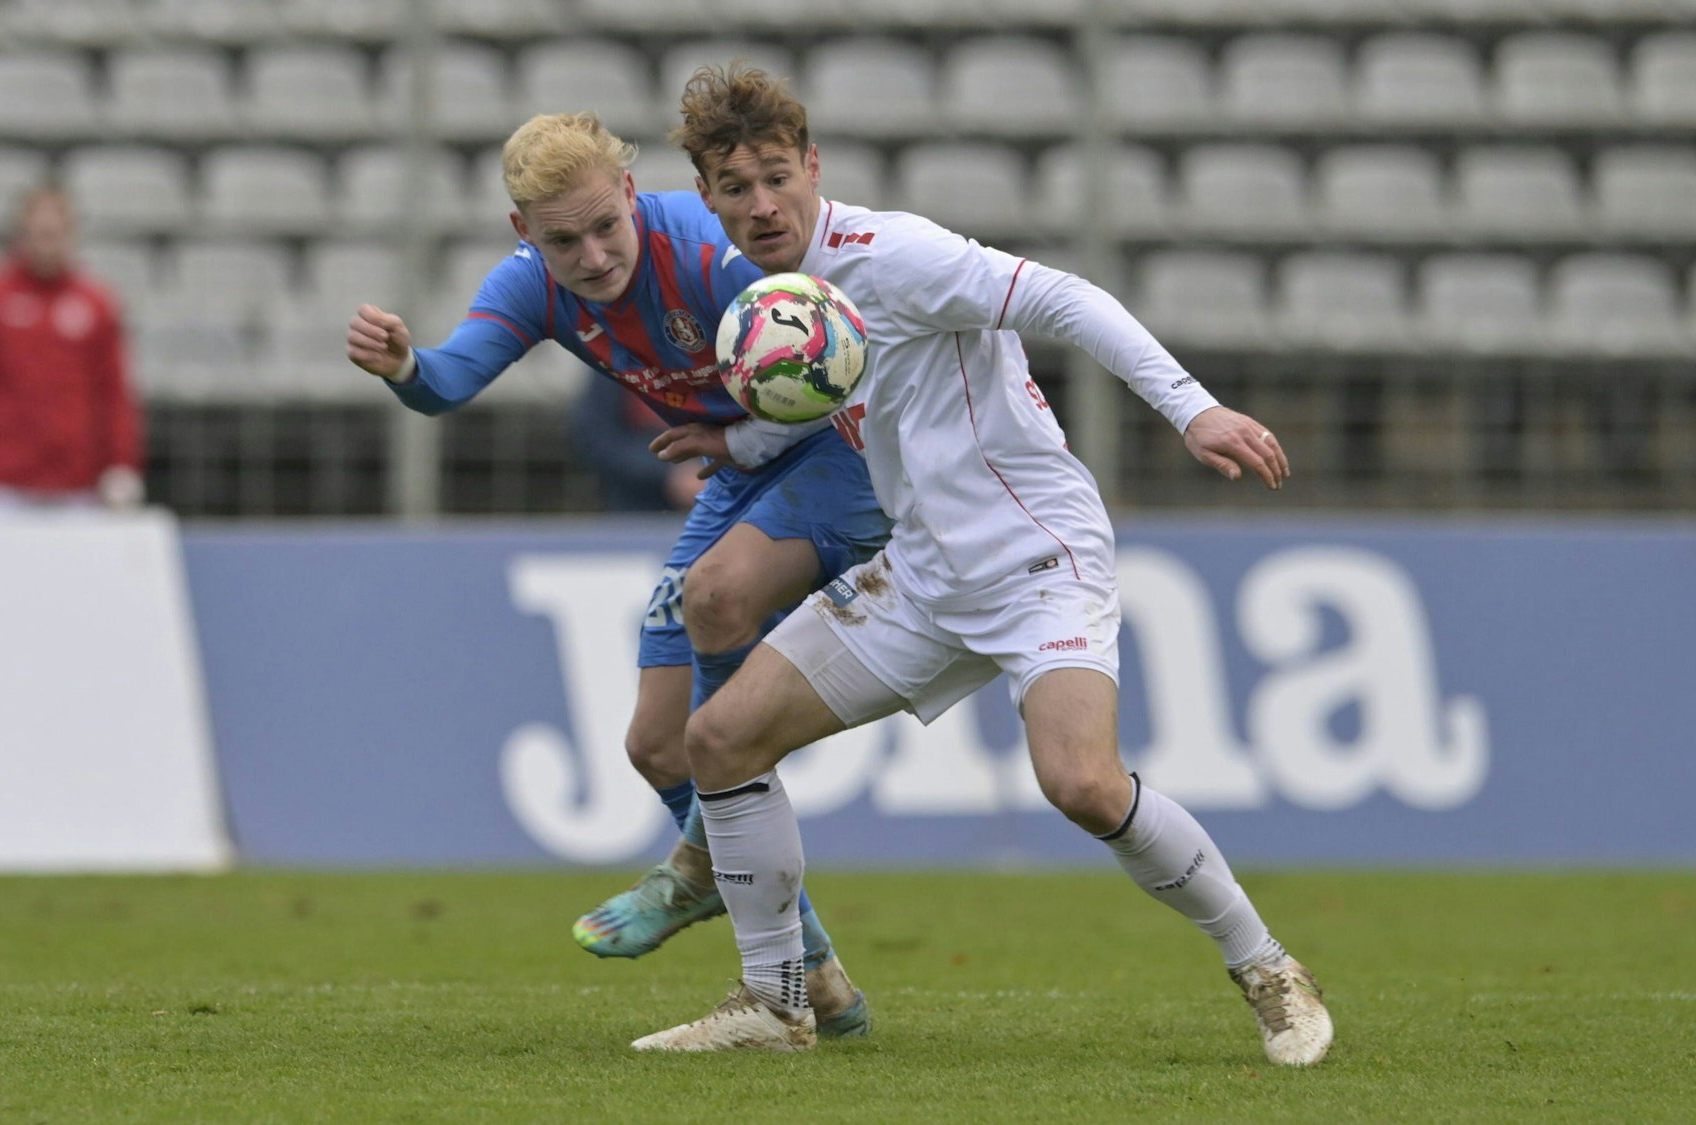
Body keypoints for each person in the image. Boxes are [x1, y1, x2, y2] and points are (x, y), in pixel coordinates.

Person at [624, 65, 1332, 1066]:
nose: (761, 204)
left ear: (812, 166)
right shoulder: (780, 296)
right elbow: (857, 397)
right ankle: (774, 1007)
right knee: (721, 741)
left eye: (777, 177)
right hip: (922, 574)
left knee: (1081, 785)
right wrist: (737, 447)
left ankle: (1268, 971)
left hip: (1033, 552)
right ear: (707, 200)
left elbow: (1068, 299)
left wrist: (1191, 408)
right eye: (735, 190)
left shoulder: (895, 254)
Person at [343, 113, 889, 1037]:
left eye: (606, 226)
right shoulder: (532, 288)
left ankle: (695, 869)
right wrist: (404, 366)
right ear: (527, 235)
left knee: (716, 602)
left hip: (834, 457)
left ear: (633, 197)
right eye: (563, 239)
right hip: (735, 470)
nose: (593, 255)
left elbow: (847, 362)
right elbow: (447, 380)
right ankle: (815, 972)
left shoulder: (712, 250)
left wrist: (746, 436)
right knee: (654, 745)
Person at [0, 184, 144, 514]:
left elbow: (113, 392)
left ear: (71, 236)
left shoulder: (96, 305)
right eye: (39, 234)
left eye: (55, 234)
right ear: (20, 236)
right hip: (1, 485)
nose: (47, 245)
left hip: (78, 485)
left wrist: (120, 463)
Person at [571, 371, 705, 512]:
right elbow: (595, 438)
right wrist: (668, 474)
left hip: (715, 503)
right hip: (635, 509)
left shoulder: (713, 358)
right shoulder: (614, 359)